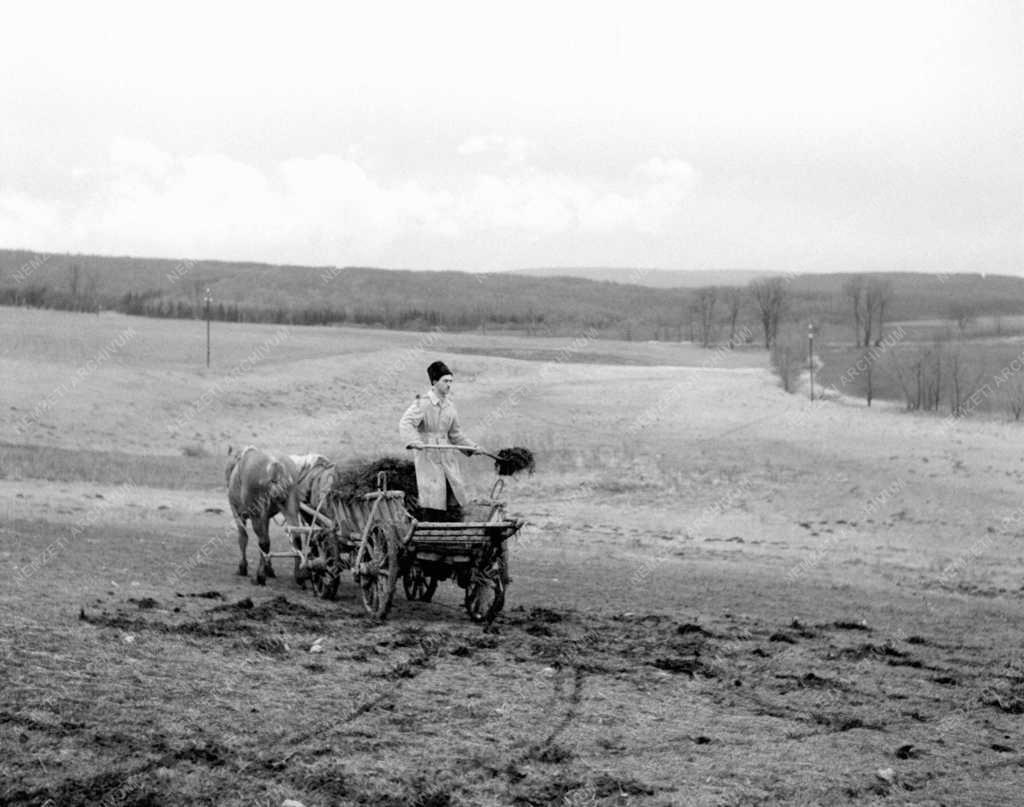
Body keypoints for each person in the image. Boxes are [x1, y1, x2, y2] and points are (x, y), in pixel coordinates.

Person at [399, 360, 479, 521]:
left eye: (450, 381)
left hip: (446, 455)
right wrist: (414, 441)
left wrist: (473, 447)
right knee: (433, 495)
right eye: (445, 381)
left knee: (454, 490)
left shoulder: (450, 406)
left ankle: (452, 527)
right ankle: (430, 526)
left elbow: (456, 435)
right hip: (428, 455)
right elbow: (405, 422)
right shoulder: (423, 403)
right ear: (434, 382)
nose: (449, 385)